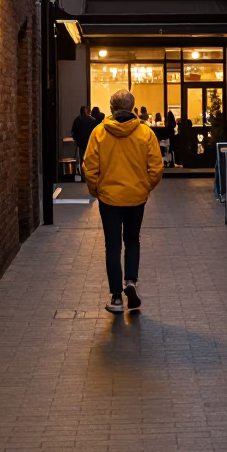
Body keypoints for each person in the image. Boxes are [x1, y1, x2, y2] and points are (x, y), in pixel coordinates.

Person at [83, 89, 163, 314]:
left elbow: (89, 167)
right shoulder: (146, 134)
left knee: (112, 245)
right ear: (133, 106)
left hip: (109, 198)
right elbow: (156, 168)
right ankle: (130, 282)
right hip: (136, 198)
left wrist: (96, 190)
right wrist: (145, 187)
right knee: (132, 240)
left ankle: (116, 298)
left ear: (111, 107)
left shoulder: (99, 133)